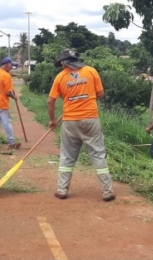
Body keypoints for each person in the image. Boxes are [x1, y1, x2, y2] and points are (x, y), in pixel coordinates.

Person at [47, 49, 115, 202]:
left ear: (65, 63)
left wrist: (52, 120)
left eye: (62, 64)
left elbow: (50, 101)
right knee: (98, 154)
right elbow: (100, 94)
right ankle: (107, 191)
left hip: (70, 122)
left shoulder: (60, 77)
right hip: (90, 120)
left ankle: (62, 190)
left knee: (67, 157)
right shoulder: (91, 71)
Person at [0, 57, 21, 152]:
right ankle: (11, 143)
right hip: (2, 102)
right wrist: (14, 97)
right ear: (7, 65)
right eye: (11, 65)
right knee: (7, 123)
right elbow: (8, 92)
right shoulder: (6, 76)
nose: (12, 67)